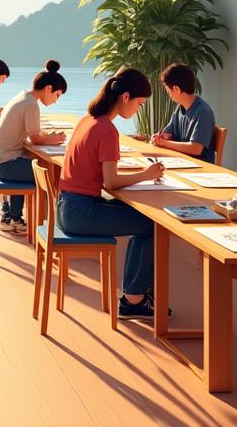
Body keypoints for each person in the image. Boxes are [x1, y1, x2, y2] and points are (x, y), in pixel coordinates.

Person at [56, 67, 168, 320]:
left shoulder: (88, 119)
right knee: (152, 224)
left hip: (66, 206)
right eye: (139, 103)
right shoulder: (108, 129)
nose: (139, 109)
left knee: (138, 215)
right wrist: (147, 175)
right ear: (125, 97)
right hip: (81, 213)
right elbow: (111, 183)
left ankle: (138, 294)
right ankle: (134, 299)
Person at [0, 60, 66, 234]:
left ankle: (12, 217)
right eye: (57, 95)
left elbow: (32, 135)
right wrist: (56, 139)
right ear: (48, 89)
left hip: (1, 162)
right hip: (8, 165)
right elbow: (35, 139)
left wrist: (48, 137)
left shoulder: (22, 96)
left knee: (31, 162)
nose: (56, 101)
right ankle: (56, 227)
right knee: (51, 174)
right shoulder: (31, 104)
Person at [149, 62, 218, 163]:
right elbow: (168, 132)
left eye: (168, 91)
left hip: (199, 167)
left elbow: (195, 148)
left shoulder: (203, 112)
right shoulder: (180, 108)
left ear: (176, 89)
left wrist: (164, 143)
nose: (169, 95)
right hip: (181, 161)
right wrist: (161, 136)